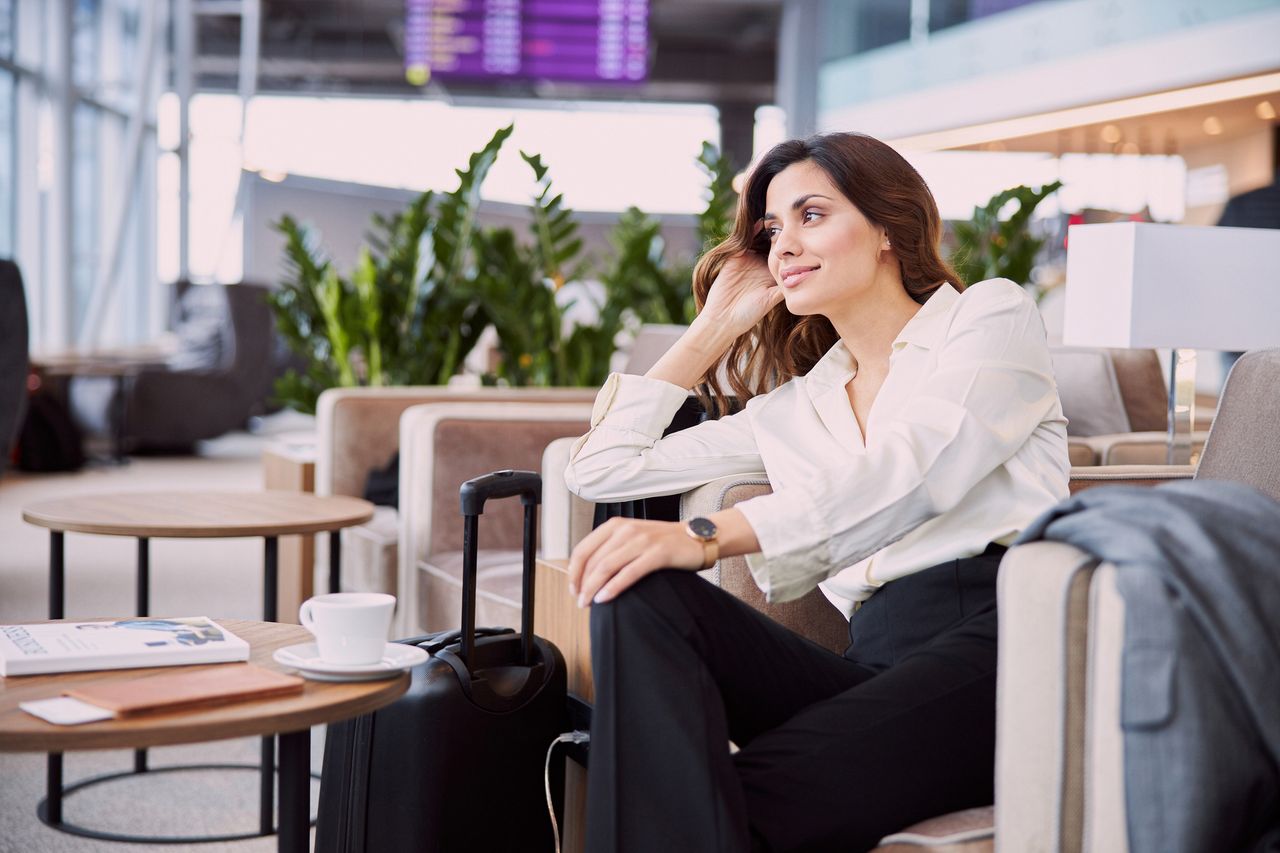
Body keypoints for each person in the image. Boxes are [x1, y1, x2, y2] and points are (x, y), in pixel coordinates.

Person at [563, 132, 1071, 852]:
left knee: (707, 800)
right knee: (640, 595)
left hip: (1003, 639)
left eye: (811, 215)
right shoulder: (792, 410)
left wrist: (709, 534)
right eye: (772, 229)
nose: (783, 246)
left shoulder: (987, 317)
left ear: (889, 228)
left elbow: (916, 466)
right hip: (873, 667)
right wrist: (713, 327)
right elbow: (601, 468)